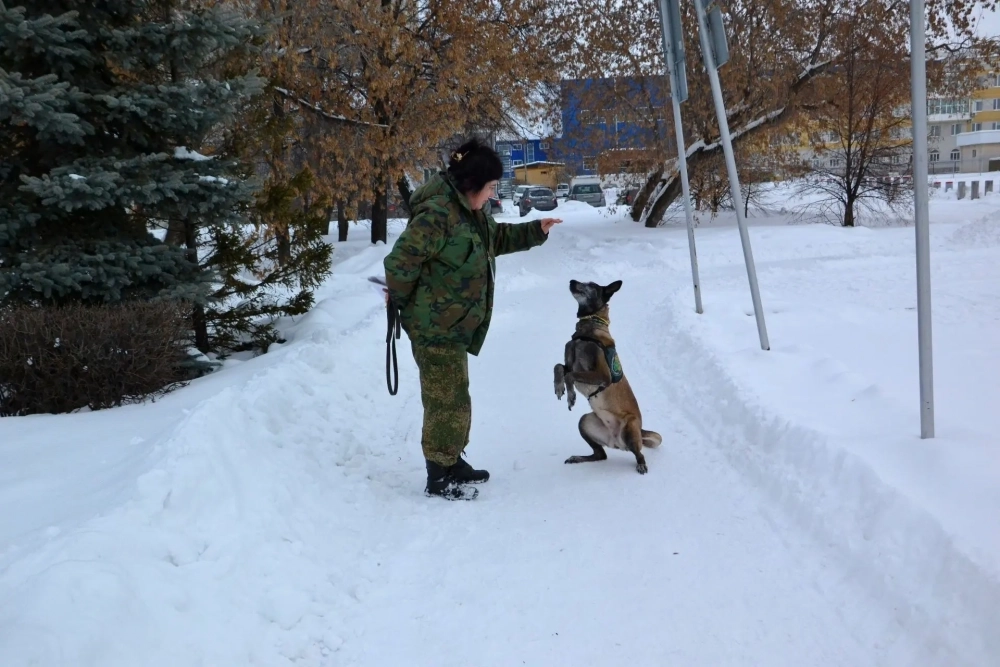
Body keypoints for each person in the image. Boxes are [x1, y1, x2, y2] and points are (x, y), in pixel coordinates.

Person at [383, 138, 562, 501]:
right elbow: (400, 262)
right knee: (445, 402)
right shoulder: (438, 215)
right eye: (491, 187)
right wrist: (401, 300)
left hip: (453, 325)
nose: (493, 194)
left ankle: (452, 461)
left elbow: (495, 239)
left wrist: (535, 230)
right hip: (434, 326)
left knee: (456, 397)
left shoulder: (470, 212)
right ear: (472, 184)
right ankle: (439, 476)